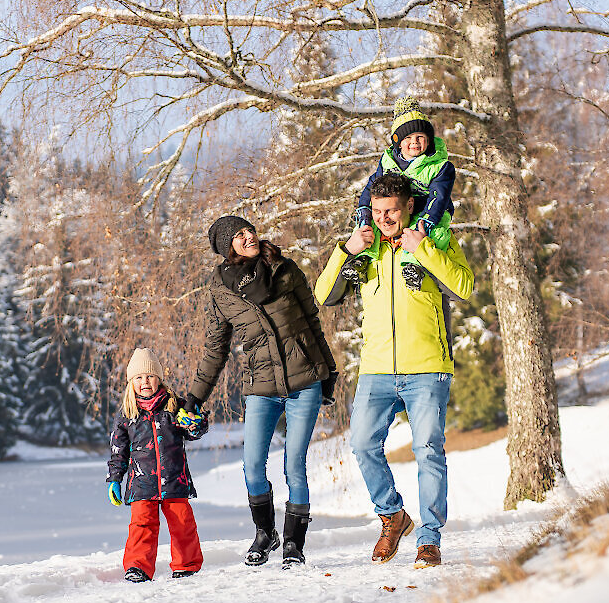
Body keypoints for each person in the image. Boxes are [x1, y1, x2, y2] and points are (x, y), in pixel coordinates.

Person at [313, 170, 475, 569]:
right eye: (378, 210)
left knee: (428, 451)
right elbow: (322, 295)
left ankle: (429, 540)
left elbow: (465, 287)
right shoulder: (365, 250)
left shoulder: (433, 240)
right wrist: (345, 250)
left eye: (393, 211)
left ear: (409, 209)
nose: (385, 218)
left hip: (427, 368)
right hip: (376, 369)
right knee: (363, 445)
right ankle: (392, 516)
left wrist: (424, 250)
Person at [186, 216, 338, 569]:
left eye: (249, 230)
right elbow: (215, 349)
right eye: (239, 235)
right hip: (261, 387)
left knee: (294, 465)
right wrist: (195, 396)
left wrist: (328, 370)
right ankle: (265, 534)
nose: (249, 236)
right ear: (227, 248)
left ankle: (294, 545)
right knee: (253, 465)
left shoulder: (284, 269)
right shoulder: (221, 292)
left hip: (304, 381)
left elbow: (313, 321)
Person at [106, 348, 208, 583]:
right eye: (139, 378)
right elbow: (117, 450)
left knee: (182, 521)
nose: (145, 382)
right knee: (142, 523)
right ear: (131, 382)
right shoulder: (126, 414)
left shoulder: (175, 407)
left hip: (174, 479)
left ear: (159, 378)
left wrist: (196, 423)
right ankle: (137, 567)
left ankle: (187, 565)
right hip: (141, 481)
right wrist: (114, 478)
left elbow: (193, 432)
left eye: (150, 376)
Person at [341, 97, 457, 292]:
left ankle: (414, 266)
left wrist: (427, 220)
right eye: (407, 139)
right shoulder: (388, 161)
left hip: (428, 210)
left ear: (428, 140)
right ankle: (361, 261)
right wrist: (364, 209)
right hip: (396, 209)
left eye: (420, 137)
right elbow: (372, 185)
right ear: (398, 142)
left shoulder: (439, 166)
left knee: (431, 234)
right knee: (372, 226)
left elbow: (439, 196)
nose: (414, 143)